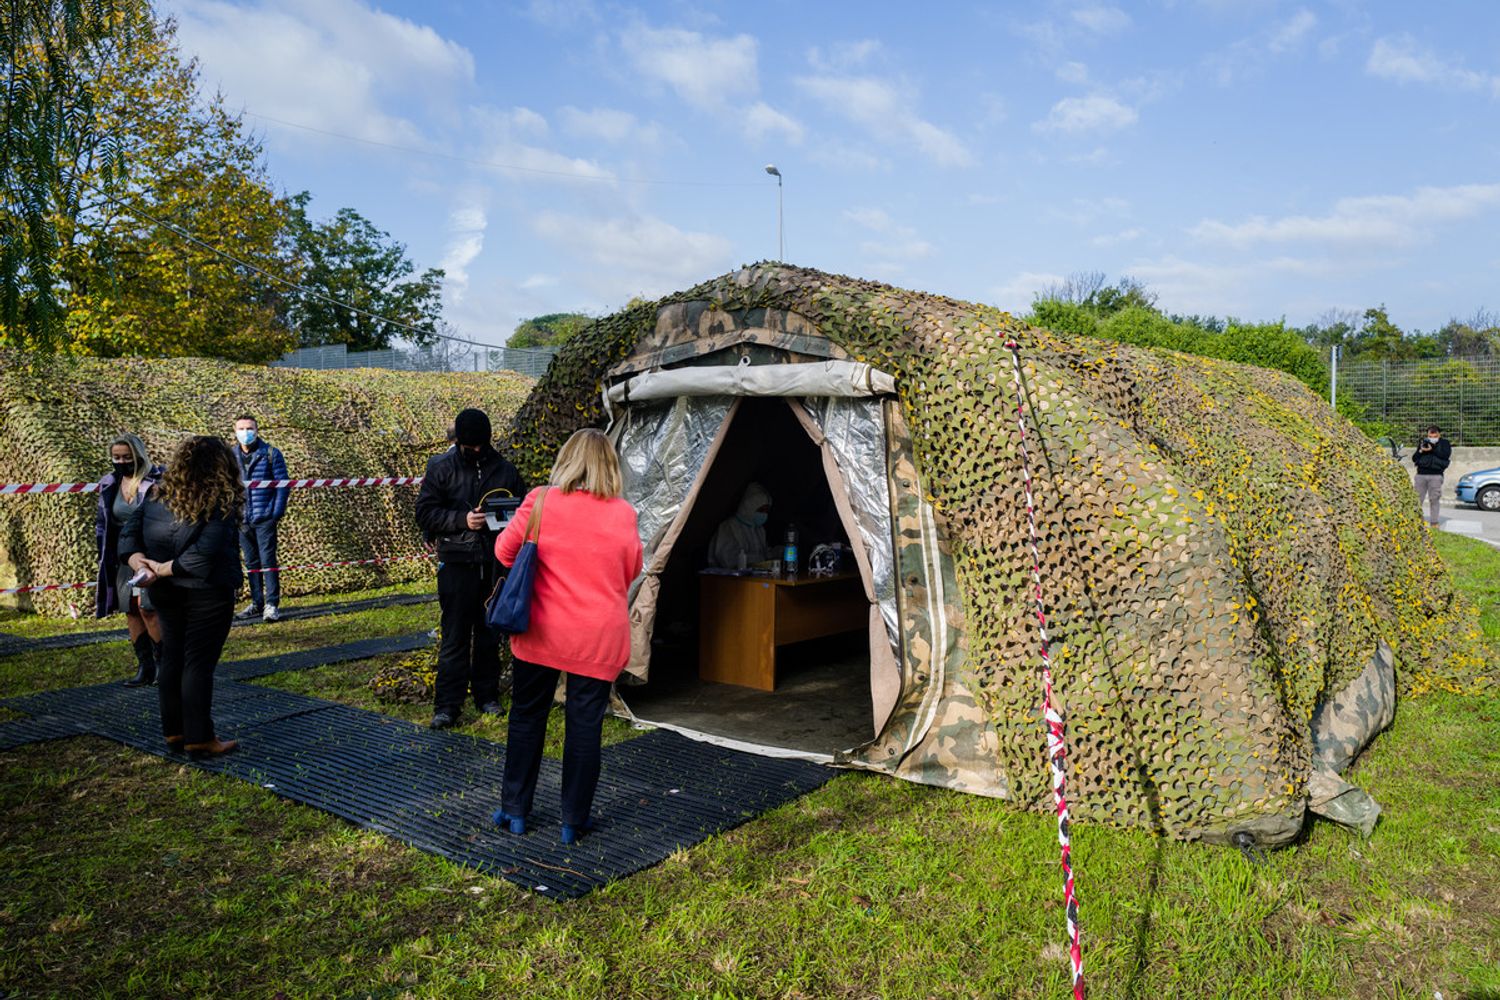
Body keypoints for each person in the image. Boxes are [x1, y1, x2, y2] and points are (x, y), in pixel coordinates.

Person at [492, 428, 643, 844]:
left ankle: (515, 810)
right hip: (598, 637)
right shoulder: (624, 513)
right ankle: (572, 821)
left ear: (566, 459)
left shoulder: (540, 501)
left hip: (541, 630)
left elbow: (504, 553)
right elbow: (631, 571)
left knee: (526, 717)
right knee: (584, 728)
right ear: (609, 466)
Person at [120, 436, 245, 759]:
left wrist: (140, 563)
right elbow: (203, 556)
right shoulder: (221, 502)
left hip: (165, 592)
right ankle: (200, 738)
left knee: (172, 658)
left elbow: (129, 534)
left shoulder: (157, 495)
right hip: (207, 592)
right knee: (197, 664)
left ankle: (174, 731)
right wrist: (161, 569)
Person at [414, 408, 526, 730]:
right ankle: (447, 705)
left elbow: (521, 509)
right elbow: (425, 512)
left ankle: (486, 695)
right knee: (455, 636)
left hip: (494, 564)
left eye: (481, 446)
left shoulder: (504, 470)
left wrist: (506, 521)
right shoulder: (441, 468)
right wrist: (461, 521)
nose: (476, 451)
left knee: (490, 633)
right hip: (457, 563)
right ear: (459, 442)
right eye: (470, 446)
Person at [96, 434, 166, 686]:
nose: (121, 461)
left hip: (150, 553)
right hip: (123, 554)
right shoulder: (109, 484)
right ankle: (144, 667)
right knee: (130, 610)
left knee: (148, 608)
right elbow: (103, 524)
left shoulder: (156, 481)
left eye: (126, 457)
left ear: (138, 455)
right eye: (116, 457)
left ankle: (163, 665)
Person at [232, 414, 289, 622]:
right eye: (241, 428)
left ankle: (272, 604)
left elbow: (283, 485)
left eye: (249, 428)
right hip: (242, 519)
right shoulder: (230, 456)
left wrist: (275, 513)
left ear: (257, 430)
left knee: (268, 561)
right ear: (234, 430)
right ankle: (257, 603)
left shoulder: (271, 453)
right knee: (251, 562)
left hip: (265, 517)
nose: (245, 433)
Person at [707, 482, 776, 569]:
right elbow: (728, 559)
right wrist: (759, 559)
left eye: (767, 511)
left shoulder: (759, 529)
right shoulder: (729, 527)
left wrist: (778, 552)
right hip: (727, 580)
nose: (764, 514)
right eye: (761, 510)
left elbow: (765, 553)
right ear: (749, 507)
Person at [1412, 424, 1452, 526]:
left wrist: (1433, 448)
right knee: (1417, 499)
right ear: (1427, 435)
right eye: (1430, 436)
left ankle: (1434, 522)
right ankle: (1416, 520)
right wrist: (1421, 450)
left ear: (1439, 435)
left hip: (1436, 475)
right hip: (1421, 475)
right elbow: (1414, 458)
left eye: (1435, 436)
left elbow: (1445, 455)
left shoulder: (1444, 443)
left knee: (1434, 499)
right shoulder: (1423, 442)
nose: (1432, 438)